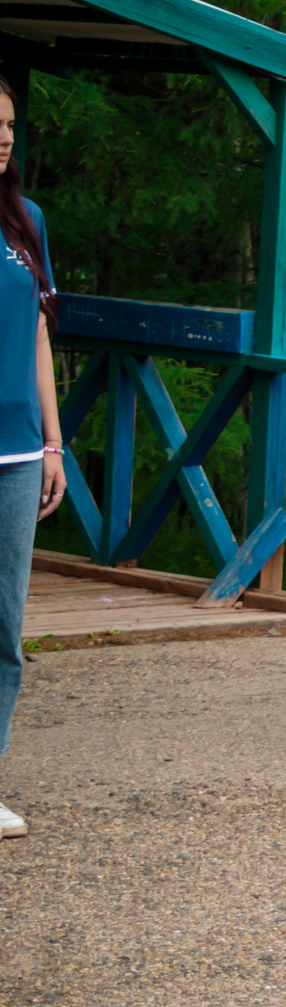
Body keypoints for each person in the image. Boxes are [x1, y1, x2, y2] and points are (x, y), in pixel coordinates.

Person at [0, 77, 66, 841]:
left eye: (12, 124)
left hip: (17, 450)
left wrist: (54, 441)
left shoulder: (29, 222)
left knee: (2, 628)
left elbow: (42, 334)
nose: (5, 136)